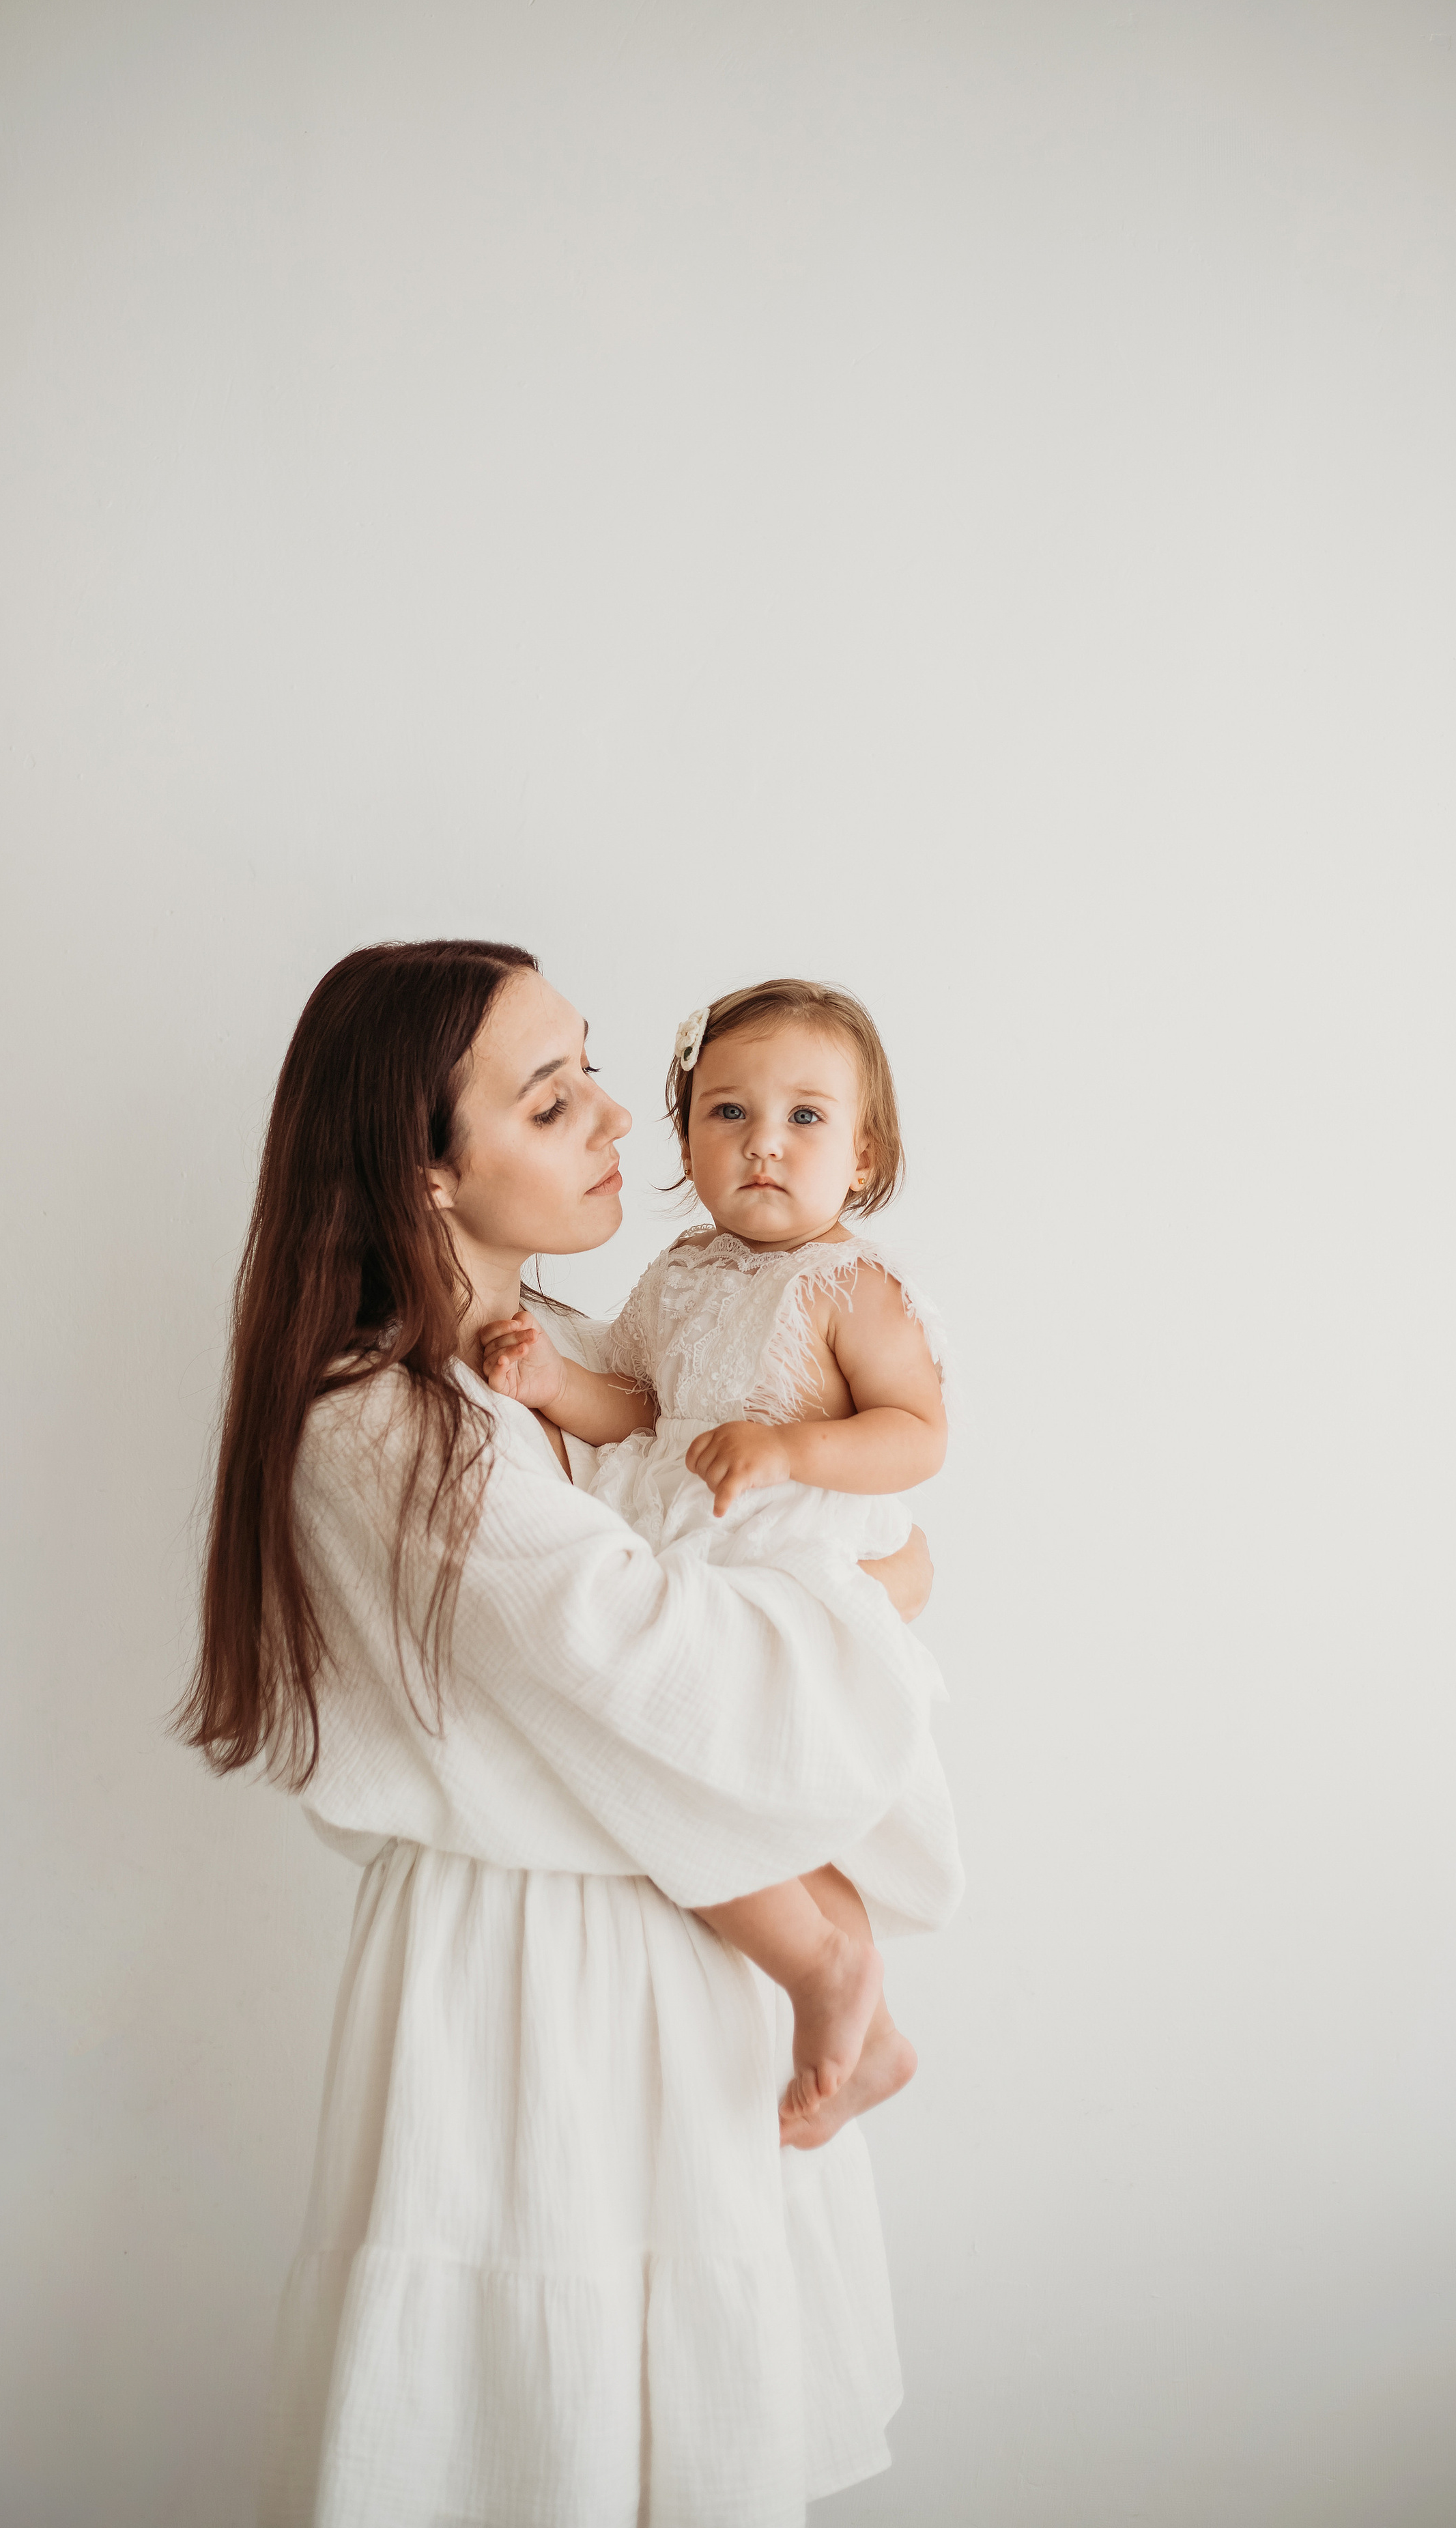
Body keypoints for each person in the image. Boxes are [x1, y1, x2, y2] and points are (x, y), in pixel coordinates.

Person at [182, 938, 962, 2528]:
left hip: (677, 1954)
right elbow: (660, 1671)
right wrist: (877, 1596)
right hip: (533, 1985)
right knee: (528, 2437)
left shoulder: (555, 1363)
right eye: (549, 1102)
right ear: (423, 1168)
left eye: (593, 1068)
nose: (619, 1116)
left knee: (684, 2429)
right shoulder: (382, 1420)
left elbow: (699, 1549)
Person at [479, 978, 947, 2150]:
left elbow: (917, 1433)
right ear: (685, 1134)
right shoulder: (681, 1272)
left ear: (862, 1153)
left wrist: (792, 1448)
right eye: (728, 1112)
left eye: (805, 1118)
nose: (762, 1144)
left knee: (713, 1769)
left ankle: (833, 1978)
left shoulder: (851, 1286)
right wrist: (554, 1385)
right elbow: (641, 1406)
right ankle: (866, 2023)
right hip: (691, 1531)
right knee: (713, 1776)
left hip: (783, 1544)